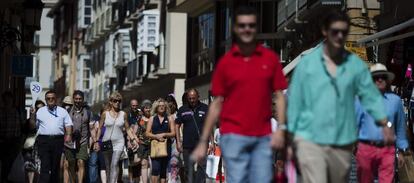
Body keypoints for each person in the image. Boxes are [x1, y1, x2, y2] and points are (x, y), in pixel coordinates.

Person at [287, 10, 394, 183]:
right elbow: (295, 101)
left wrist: (385, 124)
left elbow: (371, 97)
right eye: (334, 31)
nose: (339, 36)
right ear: (325, 31)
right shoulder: (308, 64)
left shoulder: (355, 66)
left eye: (343, 32)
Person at [192, 6, 288, 183]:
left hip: (262, 137)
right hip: (233, 135)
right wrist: (204, 140)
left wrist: (281, 129)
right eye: (242, 25)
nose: (247, 29)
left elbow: (279, 95)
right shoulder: (226, 62)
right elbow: (216, 103)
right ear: (235, 28)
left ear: (257, 27)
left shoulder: (270, 59)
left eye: (251, 25)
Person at [356, 63, 409, 183]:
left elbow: (400, 126)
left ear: (387, 80)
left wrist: (402, 150)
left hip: (387, 149)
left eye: (383, 77)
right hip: (365, 148)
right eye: (376, 77)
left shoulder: (395, 101)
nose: (379, 79)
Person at [31, 90, 73, 183]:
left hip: (58, 141)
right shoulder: (40, 111)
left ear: (56, 99)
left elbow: (68, 124)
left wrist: (69, 135)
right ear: (45, 100)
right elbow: (33, 126)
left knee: (55, 167)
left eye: (52, 98)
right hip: (44, 141)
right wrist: (32, 115)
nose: (50, 100)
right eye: (48, 98)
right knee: (45, 166)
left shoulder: (63, 111)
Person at [96, 92, 139, 183]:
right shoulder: (105, 114)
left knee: (114, 163)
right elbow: (99, 128)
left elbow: (127, 129)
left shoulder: (123, 114)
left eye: (119, 101)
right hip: (106, 142)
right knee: (108, 167)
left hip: (119, 142)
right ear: (110, 102)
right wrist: (96, 141)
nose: (117, 103)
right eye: (115, 101)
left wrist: (133, 139)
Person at [175, 89, 209, 183]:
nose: (192, 100)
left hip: (201, 144)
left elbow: (209, 125)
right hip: (187, 145)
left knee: (202, 168)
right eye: (189, 98)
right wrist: (178, 142)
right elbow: (177, 125)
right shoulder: (183, 109)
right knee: (188, 169)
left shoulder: (205, 108)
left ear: (198, 97)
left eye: (193, 98)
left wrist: (211, 142)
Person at [63, 90, 92, 183]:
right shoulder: (67, 111)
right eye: (76, 99)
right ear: (73, 99)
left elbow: (91, 128)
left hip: (82, 141)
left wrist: (93, 141)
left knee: (81, 162)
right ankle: (73, 180)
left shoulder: (88, 112)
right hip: (69, 142)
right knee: (70, 164)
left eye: (80, 99)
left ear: (83, 100)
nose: (78, 101)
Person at [145, 98, 176, 183]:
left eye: (163, 106)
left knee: (163, 170)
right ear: (156, 107)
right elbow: (147, 133)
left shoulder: (170, 118)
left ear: (166, 107)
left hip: (166, 147)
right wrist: (156, 136)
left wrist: (164, 134)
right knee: (155, 169)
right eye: (160, 106)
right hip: (155, 146)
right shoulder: (152, 118)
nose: (161, 107)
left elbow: (173, 133)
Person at [0, 91, 25, 183]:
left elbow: (22, 126)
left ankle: (8, 179)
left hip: (15, 142)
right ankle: (4, 179)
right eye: (6, 100)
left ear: (12, 100)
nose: (8, 102)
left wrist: (20, 140)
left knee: (12, 163)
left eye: (9, 100)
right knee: (5, 163)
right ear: (3, 101)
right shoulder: (1, 112)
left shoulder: (17, 111)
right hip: (3, 141)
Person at [23, 100, 45, 183]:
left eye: (42, 108)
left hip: (43, 147)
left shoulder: (47, 121)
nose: (40, 110)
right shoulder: (30, 121)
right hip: (31, 148)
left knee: (40, 169)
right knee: (30, 168)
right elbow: (26, 131)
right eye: (38, 108)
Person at [135, 100, 152, 183]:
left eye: (149, 107)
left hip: (153, 144)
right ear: (143, 109)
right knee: (144, 164)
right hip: (143, 144)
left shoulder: (154, 118)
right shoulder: (140, 119)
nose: (148, 109)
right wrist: (136, 140)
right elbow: (136, 132)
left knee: (152, 164)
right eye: (146, 108)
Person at [89, 108, 108, 183]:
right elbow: (93, 132)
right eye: (104, 113)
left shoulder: (111, 122)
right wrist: (95, 143)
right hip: (99, 146)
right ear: (101, 114)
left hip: (110, 147)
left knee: (107, 166)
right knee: (96, 164)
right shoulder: (98, 123)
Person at [165, 94, 180, 183]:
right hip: (165, 143)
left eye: (172, 105)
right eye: (169, 106)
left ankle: (173, 180)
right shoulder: (163, 116)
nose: (171, 107)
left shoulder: (178, 115)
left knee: (174, 164)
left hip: (175, 142)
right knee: (166, 166)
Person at [126, 99, 142, 183]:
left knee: (138, 162)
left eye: (136, 105)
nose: (135, 107)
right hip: (130, 140)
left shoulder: (139, 115)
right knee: (131, 162)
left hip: (139, 140)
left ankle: (137, 180)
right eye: (133, 105)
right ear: (130, 105)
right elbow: (127, 128)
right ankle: (130, 180)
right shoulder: (127, 115)